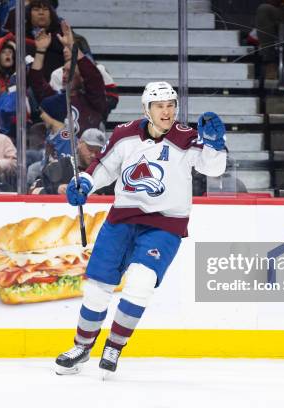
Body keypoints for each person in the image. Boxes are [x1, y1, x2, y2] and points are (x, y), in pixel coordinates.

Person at [54, 81, 227, 376]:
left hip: (165, 224)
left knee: (142, 281)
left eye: (171, 105)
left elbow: (214, 168)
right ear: (146, 109)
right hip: (121, 219)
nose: (166, 111)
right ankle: (82, 346)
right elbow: (104, 167)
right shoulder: (124, 135)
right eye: (159, 106)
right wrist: (84, 182)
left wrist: (214, 144)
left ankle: (114, 345)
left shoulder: (188, 138)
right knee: (97, 288)